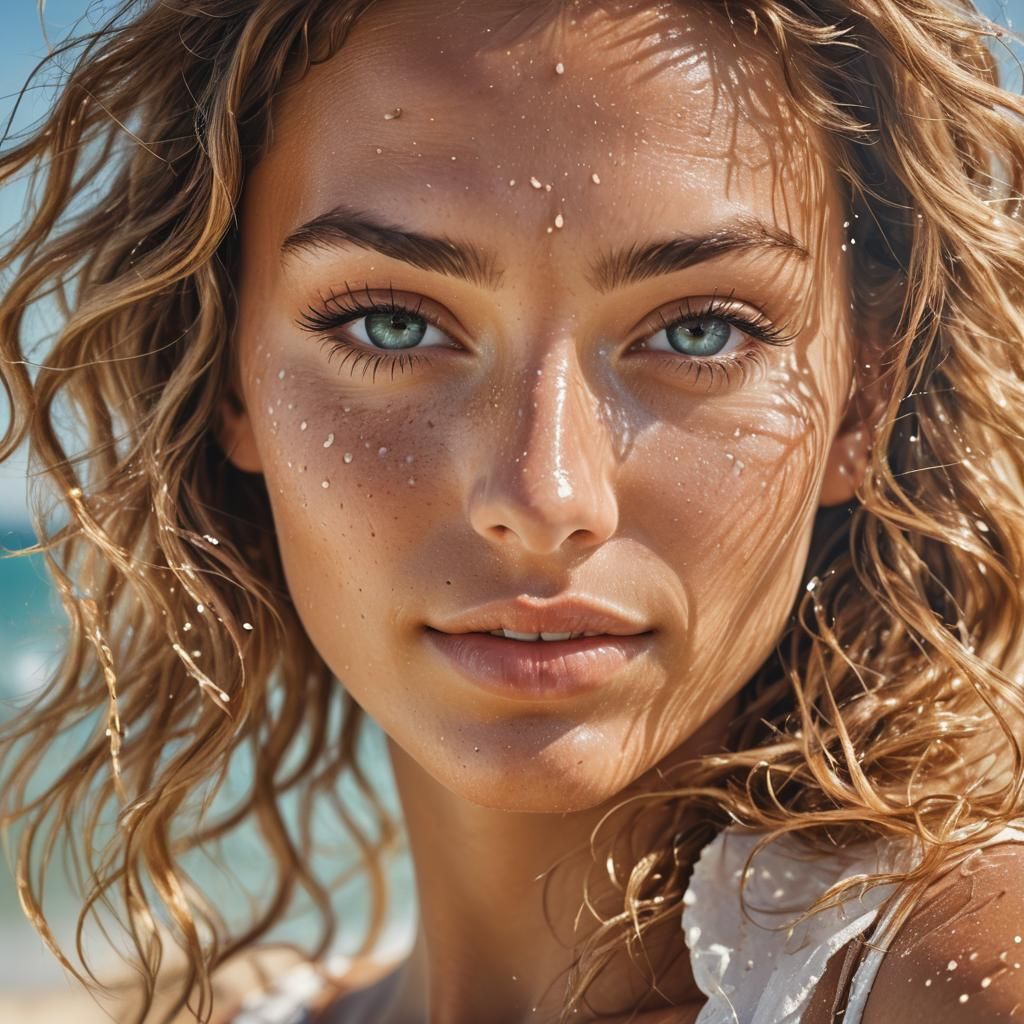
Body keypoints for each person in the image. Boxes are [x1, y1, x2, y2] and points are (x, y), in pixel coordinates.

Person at [2, 0, 1024, 1021]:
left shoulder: (960, 980)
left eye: (703, 331)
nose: (546, 498)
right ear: (228, 371)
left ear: (865, 392)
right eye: (394, 324)